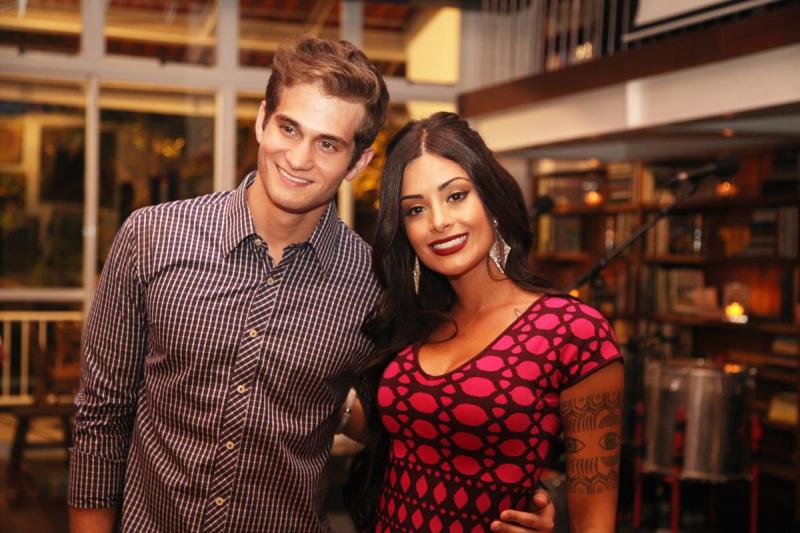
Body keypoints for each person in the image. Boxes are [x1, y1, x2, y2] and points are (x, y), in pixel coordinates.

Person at [68, 37, 555, 533]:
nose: (299, 158)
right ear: (262, 121)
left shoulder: (374, 283)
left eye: (328, 144)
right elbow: (102, 416)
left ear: (357, 163)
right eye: (289, 128)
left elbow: (416, 420)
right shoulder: (153, 237)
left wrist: (506, 502)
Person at [341, 112, 623, 533]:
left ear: (491, 198)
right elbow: (399, 433)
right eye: (416, 209)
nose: (439, 221)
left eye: (456, 196)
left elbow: (595, 523)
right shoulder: (414, 321)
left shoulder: (572, 331)